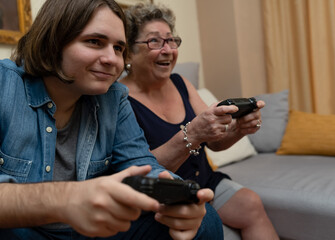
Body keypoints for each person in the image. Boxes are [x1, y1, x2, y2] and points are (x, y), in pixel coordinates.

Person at [0, 0, 224, 239]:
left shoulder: (113, 98)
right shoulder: (5, 84)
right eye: (94, 42)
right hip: (23, 230)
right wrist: (68, 197)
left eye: (118, 48)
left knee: (205, 219)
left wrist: (177, 196)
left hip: (92, 231)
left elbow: (140, 164)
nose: (112, 60)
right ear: (52, 41)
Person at [120, 3, 279, 240]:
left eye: (171, 40)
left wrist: (238, 130)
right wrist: (192, 134)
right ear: (130, 52)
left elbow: (215, 142)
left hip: (203, 180)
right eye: (155, 41)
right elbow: (140, 171)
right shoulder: (120, 99)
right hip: (166, 192)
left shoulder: (181, 83)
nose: (168, 50)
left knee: (251, 203)